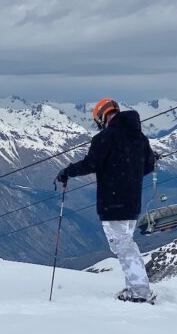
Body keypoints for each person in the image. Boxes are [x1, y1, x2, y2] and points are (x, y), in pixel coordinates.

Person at [56, 98, 157, 303]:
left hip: (112, 201)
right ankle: (136, 287)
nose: (99, 124)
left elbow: (90, 164)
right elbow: (148, 166)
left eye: (98, 120)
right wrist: (128, 172)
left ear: (103, 115)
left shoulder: (105, 138)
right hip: (132, 201)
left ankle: (139, 291)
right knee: (125, 243)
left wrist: (68, 172)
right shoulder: (140, 137)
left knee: (122, 245)